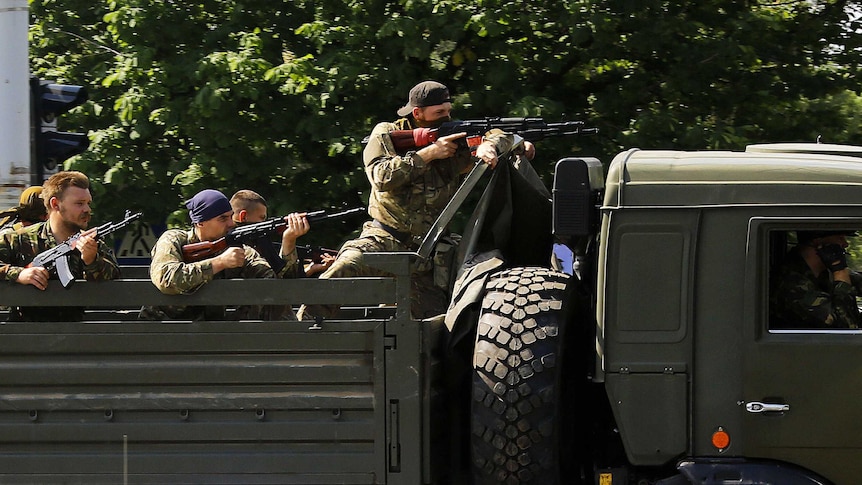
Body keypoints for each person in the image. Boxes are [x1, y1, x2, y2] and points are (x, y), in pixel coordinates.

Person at [297, 80, 532, 321]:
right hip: (384, 239)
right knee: (342, 270)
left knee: (435, 326)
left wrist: (495, 145)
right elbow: (381, 176)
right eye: (439, 112)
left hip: (429, 252)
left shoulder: (456, 135)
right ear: (417, 113)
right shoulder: (387, 133)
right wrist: (428, 154)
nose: (447, 117)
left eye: (448, 110)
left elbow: (497, 134)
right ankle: (296, 338)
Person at [140, 189, 310, 321]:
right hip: (161, 331)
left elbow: (272, 279)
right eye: (222, 219)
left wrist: (289, 241)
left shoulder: (234, 246)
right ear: (200, 222)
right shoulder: (174, 239)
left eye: (230, 217)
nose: (231, 223)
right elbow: (167, 278)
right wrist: (219, 263)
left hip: (213, 335)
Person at [0, 171, 120, 321]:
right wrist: (18, 274)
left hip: (78, 332)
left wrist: (92, 260)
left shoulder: (91, 243)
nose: (87, 210)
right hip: (25, 332)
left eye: (88, 203)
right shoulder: (18, 239)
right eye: (79, 203)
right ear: (55, 204)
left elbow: (115, 279)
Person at [229, 189, 335, 277]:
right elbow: (281, 281)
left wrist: (311, 269)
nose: (264, 223)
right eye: (262, 218)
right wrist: (289, 240)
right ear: (243, 216)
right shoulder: (233, 247)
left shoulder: (257, 244)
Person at [770, 230, 862, 329]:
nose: (845, 244)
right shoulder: (791, 285)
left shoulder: (824, 271)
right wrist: (839, 270)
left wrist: (840, 271)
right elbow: (847, 326)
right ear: (818, 242)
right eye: (840, 238)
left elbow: (856, 280)